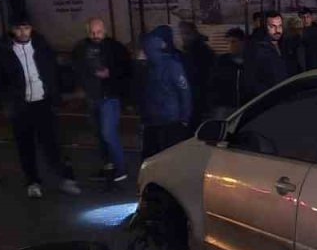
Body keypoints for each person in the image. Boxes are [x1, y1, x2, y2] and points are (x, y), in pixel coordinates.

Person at [0, 15, 81, 199]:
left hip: (43, 103)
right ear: (12, 30)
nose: (23, 33)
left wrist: (58, 94)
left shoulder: (42, 48)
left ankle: (65, 178)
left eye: (26, 28)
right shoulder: (3, 52)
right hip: (20, 106)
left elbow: (53, 71)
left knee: (53, 143)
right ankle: (32, 181)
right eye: (19, 29)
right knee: (26, 145)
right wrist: (6, 102)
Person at [71, 17, 131, 183]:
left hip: (109, 97)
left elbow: (126, 69)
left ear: (104, 30)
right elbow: (76, 68)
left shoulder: (114, 48)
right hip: (93, 97)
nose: (95, 35)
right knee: (99, 134)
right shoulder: (81, 48)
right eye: (92, 32)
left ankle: (120, 167)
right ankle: (108, 166)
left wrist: (110, 74)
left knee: (108, 133)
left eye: (98, 32)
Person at [139, 25, 193, 158]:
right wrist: (185, 117)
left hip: (153, 118)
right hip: (170, 118)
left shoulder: (147, 64)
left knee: (151, 157)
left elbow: (141, 91)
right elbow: (184, 92)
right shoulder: (172, 63)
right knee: (169, 158)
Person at [243, 10, 292, 99]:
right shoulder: (257, 49)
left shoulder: (285, 46)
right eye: (272, 26)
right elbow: (251, 81)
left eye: (280, 26)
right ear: (265, 27)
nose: (277, 30)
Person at [177, 22, 216, 130]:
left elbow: (201, 77)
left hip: (197, 98)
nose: (183, 37)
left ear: (193, 33)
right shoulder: (190, 51)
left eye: (186, 33)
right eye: (182, 34)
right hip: (195, 98)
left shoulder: (198, 52)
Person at [210, 27, 248, 116]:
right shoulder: (221, 62)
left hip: (246, 105)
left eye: (234, 42)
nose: (230, 45)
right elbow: (213, 83)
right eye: (228, 42)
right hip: (225, 107)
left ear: (243, 42)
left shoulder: (251, 61)